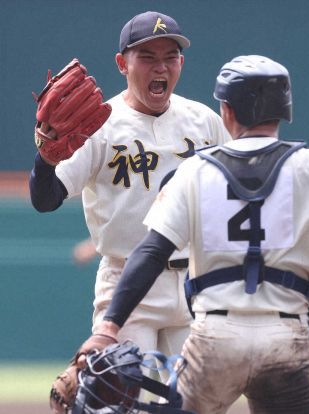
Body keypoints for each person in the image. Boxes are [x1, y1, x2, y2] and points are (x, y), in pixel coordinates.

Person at [76, 55, 309, 414]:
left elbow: (150, 253)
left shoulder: (195, 171)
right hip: (286, 337)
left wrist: (109, 326)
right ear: (284, 109)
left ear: (226, 111)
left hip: (215, 337)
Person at [29, 10, 231, 359]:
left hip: (194, 282)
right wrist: (45, 161)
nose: (161, 67)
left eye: (170, 57)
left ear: (181, 62)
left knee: (196, 404)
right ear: (122, 63)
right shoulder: (98, 126)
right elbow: (45, 199)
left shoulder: (204, 121)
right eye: (147, 57)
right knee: (125, 397)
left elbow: (242, 185)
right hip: (126, 284)